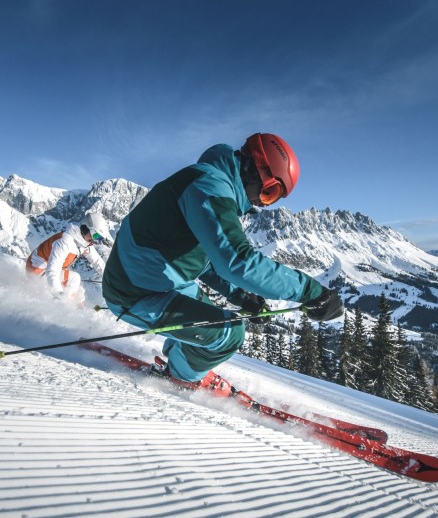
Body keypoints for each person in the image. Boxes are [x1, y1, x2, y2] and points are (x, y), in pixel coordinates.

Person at [102, 133, 343, 393]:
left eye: (271, 199)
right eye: (269, 192)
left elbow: (204, 262)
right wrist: (310, 291)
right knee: (230, 333)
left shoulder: (207, 182)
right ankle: (179, 378)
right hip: (135, 292)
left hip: (159, 279)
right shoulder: (208, 187)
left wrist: (241, 297)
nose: (260, 203)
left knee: (214, 321)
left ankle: (182, 361)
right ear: (254, 169)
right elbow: (238, 262)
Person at [27, 211, 110, 303]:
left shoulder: (84, 243)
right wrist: (57, 293)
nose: (95, 240)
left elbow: (97, 261)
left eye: (99, 238)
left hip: (46, 268)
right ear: (87, 228)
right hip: (37, 270)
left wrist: (111, 279)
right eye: (96, 236)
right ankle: (67, 309)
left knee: (76, 287)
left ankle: (77, 309)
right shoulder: (65, 242)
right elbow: (52, 269)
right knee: (74, 280)